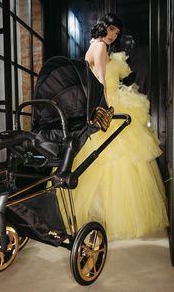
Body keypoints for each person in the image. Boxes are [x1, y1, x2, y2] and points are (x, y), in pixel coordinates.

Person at [70, 13, 169, 240]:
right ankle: (112, 218)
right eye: (112, 29)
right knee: (118, 158)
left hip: (101, 100)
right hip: (108, 101)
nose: (114, 35)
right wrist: (105, 108)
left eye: (117, 32)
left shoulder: (92, 46)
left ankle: (99, 216)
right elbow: (102, 80)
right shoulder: (101, 48)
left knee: (101, 159)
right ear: (104, 27)